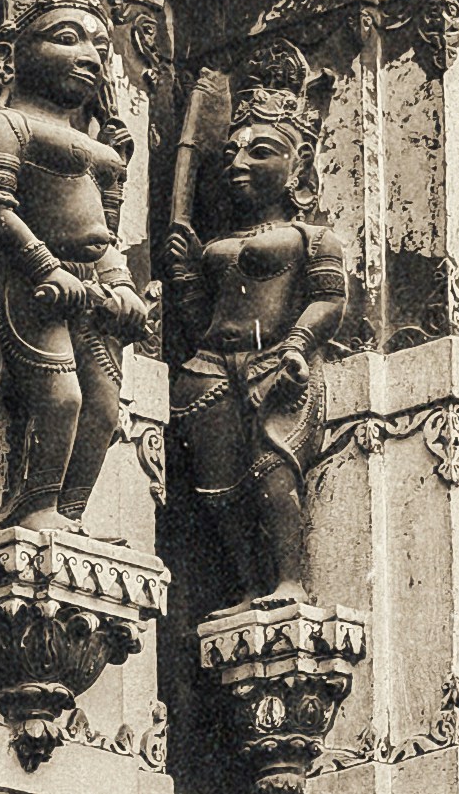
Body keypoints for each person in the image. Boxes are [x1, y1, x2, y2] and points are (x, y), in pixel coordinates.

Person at [0, 0, 149, 532]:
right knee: (60, 401)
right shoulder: (4, 123)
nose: (88, 56)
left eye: (100, 46)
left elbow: (101, 231)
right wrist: (44, 267)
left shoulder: (90, 141)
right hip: (37, 281)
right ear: (9, 57)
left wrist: (121, 284)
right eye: (66, 37)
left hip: (91, 280)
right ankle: (34, 505)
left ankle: (72, 515)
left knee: (104, 410)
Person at [166, 62, 352, 601]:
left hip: (276, 364)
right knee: (218, 492)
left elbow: (328, 300)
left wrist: (298, 344)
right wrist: (183, 271)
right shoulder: (218, 244)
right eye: (231, 153)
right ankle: (250, 586)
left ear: (298, 171)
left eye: (260, 152)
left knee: (273, 473)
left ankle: (289, 580)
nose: (238, 163)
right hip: (208, 369)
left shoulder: (311, 237)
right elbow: (202, 317)